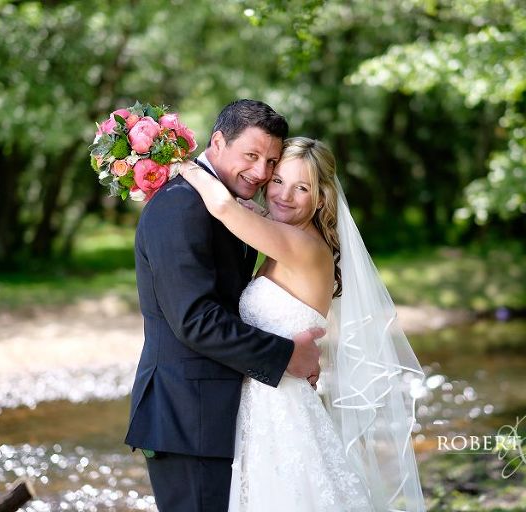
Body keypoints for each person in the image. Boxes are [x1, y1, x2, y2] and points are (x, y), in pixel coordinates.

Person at [180, 137, 427, 511]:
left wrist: (178, 165)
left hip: (281, 413)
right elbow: (251, 212)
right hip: (266, 405)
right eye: (278, 181)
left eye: (302, 187)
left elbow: (224, 208)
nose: (284, 195)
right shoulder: (290, 237)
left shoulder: (303, 248)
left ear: (321, 198)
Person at [125, 100, 325, 512]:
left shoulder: (229, 206)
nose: (261, 172)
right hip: (186, 415)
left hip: (222, 414)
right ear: (218, 141)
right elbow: (196, 321)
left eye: (270, 161)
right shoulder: (182, 204)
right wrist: (288, 355)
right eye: (250, 156)